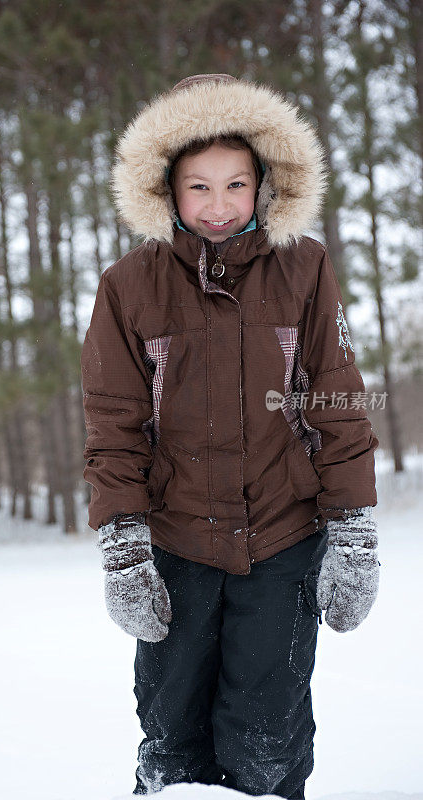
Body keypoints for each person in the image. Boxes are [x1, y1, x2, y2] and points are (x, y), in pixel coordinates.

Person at [80, 74, 380, 798]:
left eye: (237, 184)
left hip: (282, 539)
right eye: (199, 187)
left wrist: (355, 533)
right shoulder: (130, 284)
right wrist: (123, 550)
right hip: (174, 544)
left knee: (267, 736)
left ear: (265, 186)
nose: (219, 206)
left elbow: (336, 401)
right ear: (166, 191)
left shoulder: (304, 268)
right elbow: (114, 425)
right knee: (172, 732)